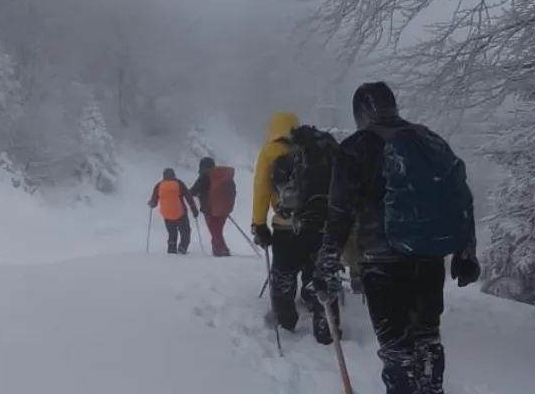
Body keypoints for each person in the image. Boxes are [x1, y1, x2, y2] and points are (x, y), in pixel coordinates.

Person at [312, 82, 480, 394]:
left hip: (382, 261)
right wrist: (466, 250)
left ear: (361, 112)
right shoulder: (429, 141)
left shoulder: (355, 147)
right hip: (428, 258)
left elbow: (340, 211)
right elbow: (460, 197)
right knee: (427, 339)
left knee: (397, 350)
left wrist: (327, 261)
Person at [249, 112, 338, 345]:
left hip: (286, 227)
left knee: (283, 275)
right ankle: (326, 325)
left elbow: (261, 189)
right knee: (319, 272)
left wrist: (259, 223)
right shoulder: (318, 149)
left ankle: (286, 321)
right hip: (320, 225)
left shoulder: (270, 152)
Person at [190, 156, 236, 256]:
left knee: (215, 231)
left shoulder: (204, 176)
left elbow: (194, 191)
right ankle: (219, 249)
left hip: (209, 209)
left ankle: (220, 250)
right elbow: (232, 191)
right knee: (218, 230)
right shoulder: (223, 176)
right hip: (224, 208)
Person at [147, 168, 198, 254]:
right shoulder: (179, 183)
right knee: (185, 232)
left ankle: (171, 250)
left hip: (167, 214)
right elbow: (188, 197)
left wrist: (151, 203)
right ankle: (182, 247)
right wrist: (194, 209)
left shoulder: (159, 185)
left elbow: (154, 202)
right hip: (181, 213)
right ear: (174, 175)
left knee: (172, 233)